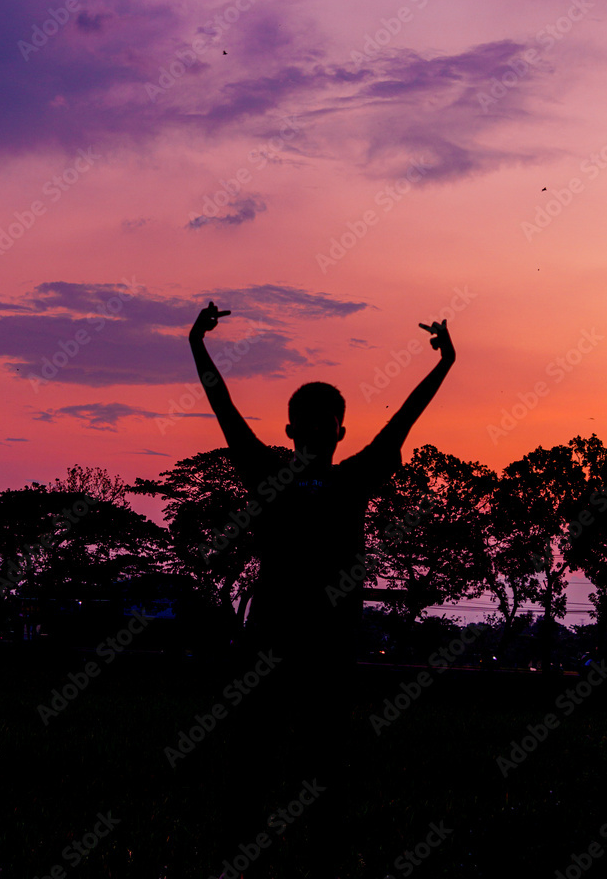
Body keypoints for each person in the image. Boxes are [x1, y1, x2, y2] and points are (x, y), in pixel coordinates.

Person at [189, 301, 456, 877]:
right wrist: (197, 344)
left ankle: (320, 857)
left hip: (330, 648)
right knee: (254, 760)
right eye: (304, 420)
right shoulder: (267, 470)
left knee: (324, 764)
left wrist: (444, 364)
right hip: (270, 644)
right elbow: (222, 405)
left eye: (323, 420)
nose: (313, 429)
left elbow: (406, 416)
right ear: (289, 430)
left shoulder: (354, 476)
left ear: (339, 430)